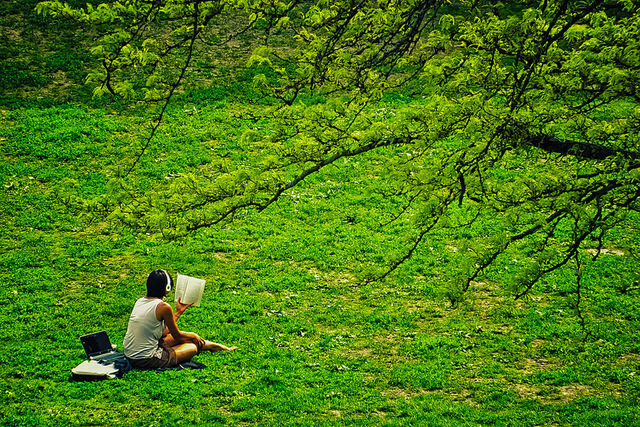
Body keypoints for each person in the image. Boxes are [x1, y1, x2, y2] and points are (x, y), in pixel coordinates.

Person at [123, 269, 237, 369]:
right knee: (192, 347)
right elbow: (177, 335)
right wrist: (193, 335)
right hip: (145, 359)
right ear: (167, 287)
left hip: (130, 354)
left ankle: (215, 346)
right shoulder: (163, 307)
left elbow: (164, 332)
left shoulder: (140, 301)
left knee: (178, 338)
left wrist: (178, 312)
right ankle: (210, 347)